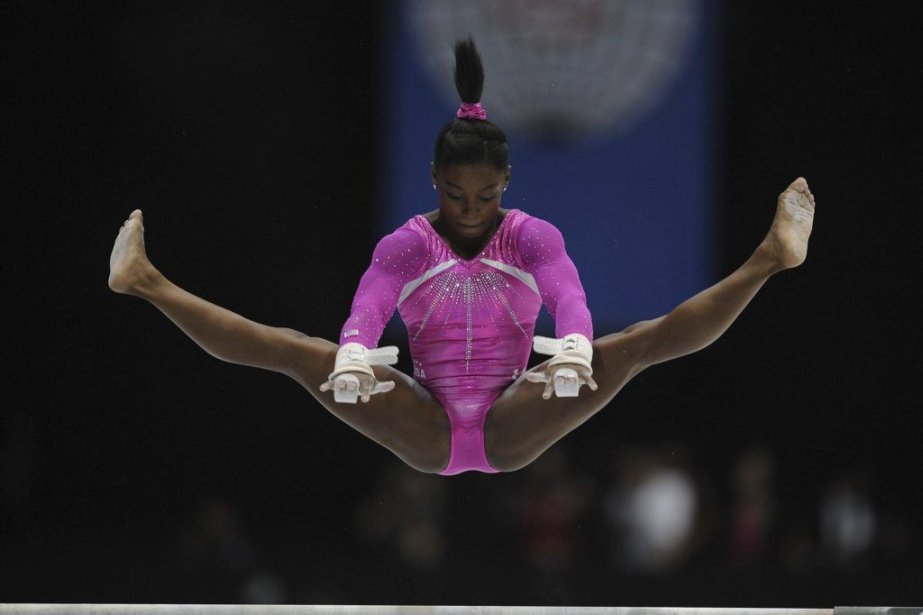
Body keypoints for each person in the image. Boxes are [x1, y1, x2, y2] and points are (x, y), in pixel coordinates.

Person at [108, 37, 816, 477]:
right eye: (455, 194)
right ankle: (145, 282)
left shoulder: (531, 237)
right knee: (299, 350)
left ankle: (766, 259)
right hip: (428, 421)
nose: (470, 209)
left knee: (630, 344)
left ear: (506, 183)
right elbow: (370, 302)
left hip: (513, 416)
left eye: (483, 195)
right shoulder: (408, 244)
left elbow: (567, 293)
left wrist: (572, 344)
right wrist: (354, 350)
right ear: (434, 182)